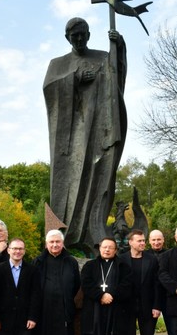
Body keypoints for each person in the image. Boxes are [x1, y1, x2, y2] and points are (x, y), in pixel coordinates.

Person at [43, 18, 127, 254]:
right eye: (74, 36)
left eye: (82, 34)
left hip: (99, 130)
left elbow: (117, 82)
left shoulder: (103, 57)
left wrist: (119, 49)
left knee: (99, 178)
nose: (79, 39)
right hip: (71, 137)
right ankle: (63, 239)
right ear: (67, 38)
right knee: (68, 183)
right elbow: (49, 89)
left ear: (89, 35)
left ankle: (93, 236)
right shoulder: (57, 64)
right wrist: (75, 78)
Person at [74, 237, 132, 335]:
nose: (107, 250)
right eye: (104, 247)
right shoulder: (90, 266)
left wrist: (111, 295)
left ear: (115, 250)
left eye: (110, 247)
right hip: (94, 314)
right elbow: (86, 284)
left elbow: (127, 285)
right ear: (99, 249)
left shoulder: (123, 266)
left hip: (115, 314)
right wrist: (101, 295)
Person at [32, 230, 80, 335]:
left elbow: (76, 285)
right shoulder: (38, 261)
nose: (54, 245)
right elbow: (33, 287)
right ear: (46, 244)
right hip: (44, 312)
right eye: (51, 242)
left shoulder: (71, 262)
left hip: (64, 311)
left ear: (62, 243)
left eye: (57, 242)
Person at [120, 230, 162, 335]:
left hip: (148, 307)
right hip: (127, 308)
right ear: (130, 242)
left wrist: (157, 306)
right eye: (139, 241)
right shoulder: (121, 259)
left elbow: (157, 285)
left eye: (144, 240)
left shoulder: (152, 259)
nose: (143, 243)